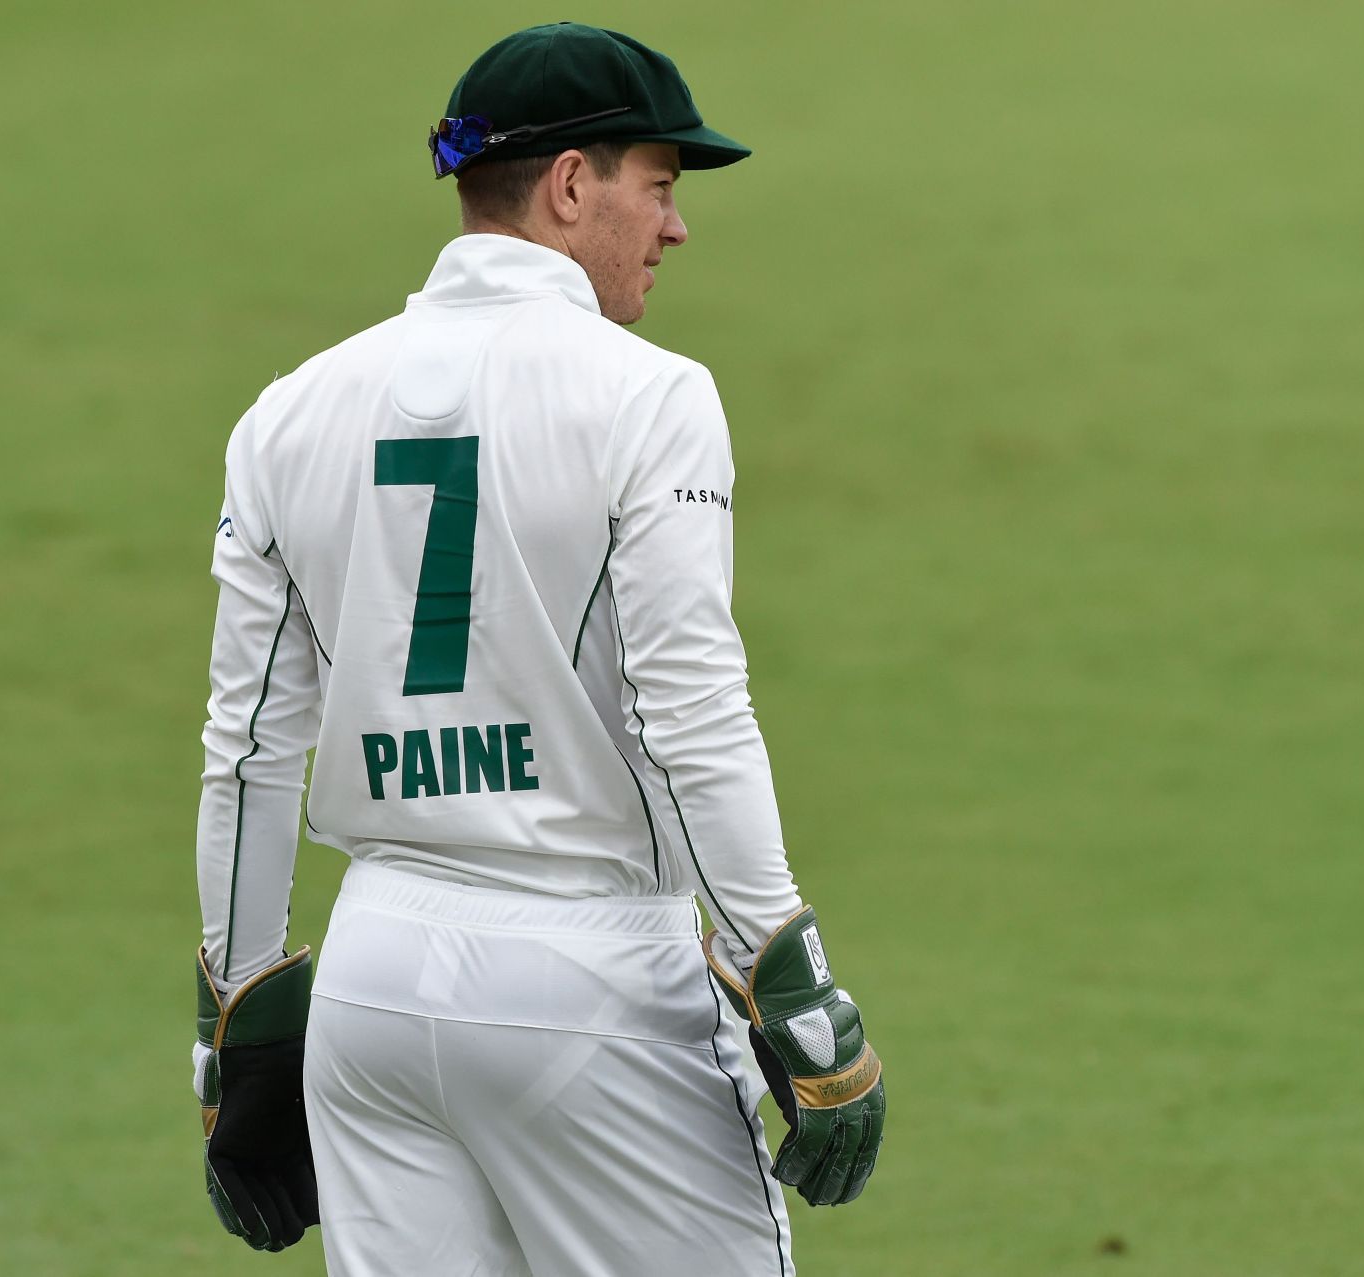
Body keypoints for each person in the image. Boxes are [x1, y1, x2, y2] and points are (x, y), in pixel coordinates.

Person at [188, 22, 885, 1276]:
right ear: (572, 184)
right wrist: (791, 978)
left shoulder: (283, 414)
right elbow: (688, 714)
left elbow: (244, 751)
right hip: (596, 982)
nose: (676, 228)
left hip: (374, 986)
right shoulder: (650, 395)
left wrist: (234, 1025)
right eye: (659, 186)